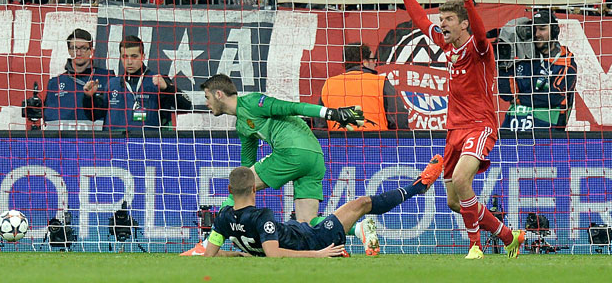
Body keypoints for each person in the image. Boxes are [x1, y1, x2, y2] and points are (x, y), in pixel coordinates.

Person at [390, 0, 524, 259]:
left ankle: (475, 246)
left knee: (463, 180)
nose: (443, 24)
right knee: (454, 200)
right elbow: (420, 20)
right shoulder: (445, 44)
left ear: (462, 23)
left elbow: (479, 31)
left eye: (449, 19)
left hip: (480, 124)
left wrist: (468, 1)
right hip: (455, 130)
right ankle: (508, 235)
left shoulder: (479, 48)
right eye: (443, 18)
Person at [182, 73, 367, 256]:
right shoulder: (242, 126)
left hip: (291, 151)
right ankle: (358, 229)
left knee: (239, 188)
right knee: (307, 223)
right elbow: (246, 167)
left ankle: (207, 245)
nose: (206, 103)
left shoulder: (253, 102)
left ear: (219, 95)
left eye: (207, 97)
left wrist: (331, 113)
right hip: (315, 157)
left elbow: (293, 107)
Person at [203, 160, 441, 257]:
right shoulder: (261, 215)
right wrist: (317, 254)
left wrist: (237, 254)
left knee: (306, 219)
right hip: (313, 240)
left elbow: (209, 255)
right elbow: (275, 254)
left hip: (298, 231)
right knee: (362, 203)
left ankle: (360, 230)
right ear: (255, 189)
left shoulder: (223, 217)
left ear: (229, 190)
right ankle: (417, 188)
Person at [82, 35, 191, 131]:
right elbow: (93, 115)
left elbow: (186, 106)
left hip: (147, 146)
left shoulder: (157, 81)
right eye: (125, 57)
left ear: (143, 56)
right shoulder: (112, 84)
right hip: (115, 146)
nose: (129, 62)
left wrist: (167, 89)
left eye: (134, 56)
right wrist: (89, 98)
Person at [497, 9, 578, 131]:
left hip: (547, 131)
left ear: (554, 31)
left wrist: (519, 98)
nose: (537, 34)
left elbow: (553, 98)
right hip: (513, 126)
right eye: (534, 29)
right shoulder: (524, 58)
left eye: (542, 29)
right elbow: (506, 95)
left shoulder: (566, 62)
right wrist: (504, 65)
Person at [315, 43, 409, 131]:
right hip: (378, 145)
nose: (375, 63)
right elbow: (399, 119)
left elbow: (320, 124)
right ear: (365, 62)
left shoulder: (329, 84)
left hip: (339, 145)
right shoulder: (380, 83)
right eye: (373, 59)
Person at [43, 29, 114, 130]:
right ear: (69, 50)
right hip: (63, 143)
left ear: (91, 50)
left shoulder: (107, 78)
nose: (78, 52)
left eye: (83, 48)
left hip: (98, 143)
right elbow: (48, 119)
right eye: (74, 48)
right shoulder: (55, 83)